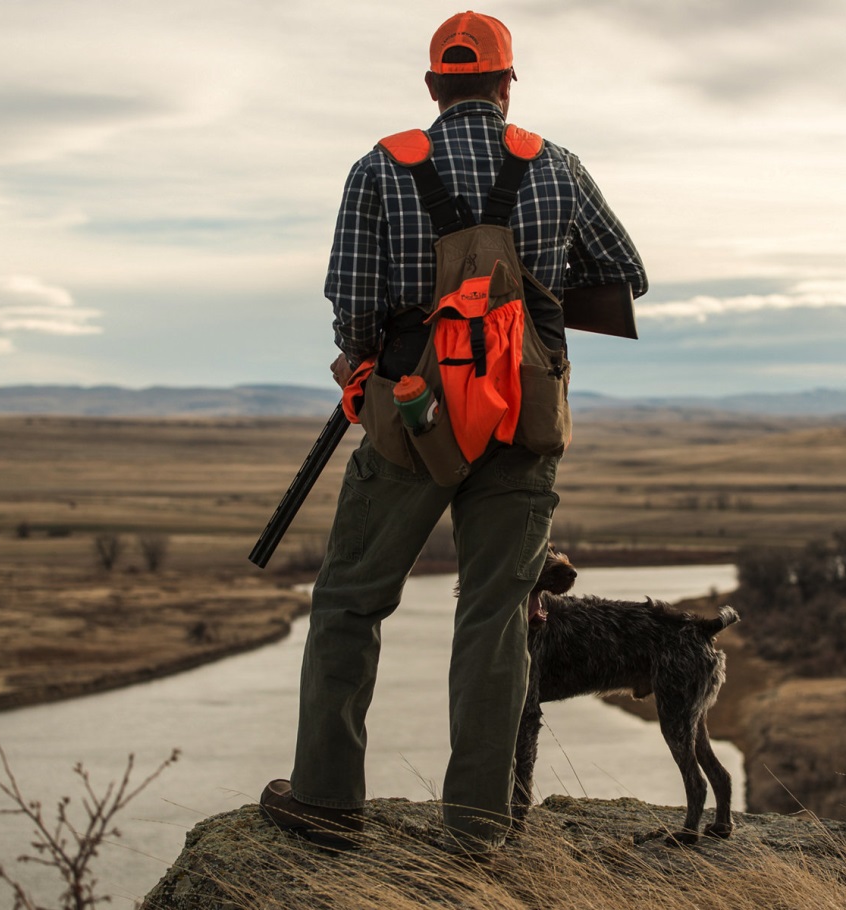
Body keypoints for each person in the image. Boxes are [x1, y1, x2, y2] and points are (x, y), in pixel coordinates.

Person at [260, 10, 647, 855]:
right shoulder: (557, 165)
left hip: (409, 414)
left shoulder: (381, 166)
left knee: (350, 604)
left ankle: (327, 802)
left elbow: (354, 305)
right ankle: (476, 828)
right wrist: (533, 295)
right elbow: (627, 274)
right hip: (524, 415)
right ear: (507, 84)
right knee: (499, 613)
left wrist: (362, 364)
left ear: (435, 84)